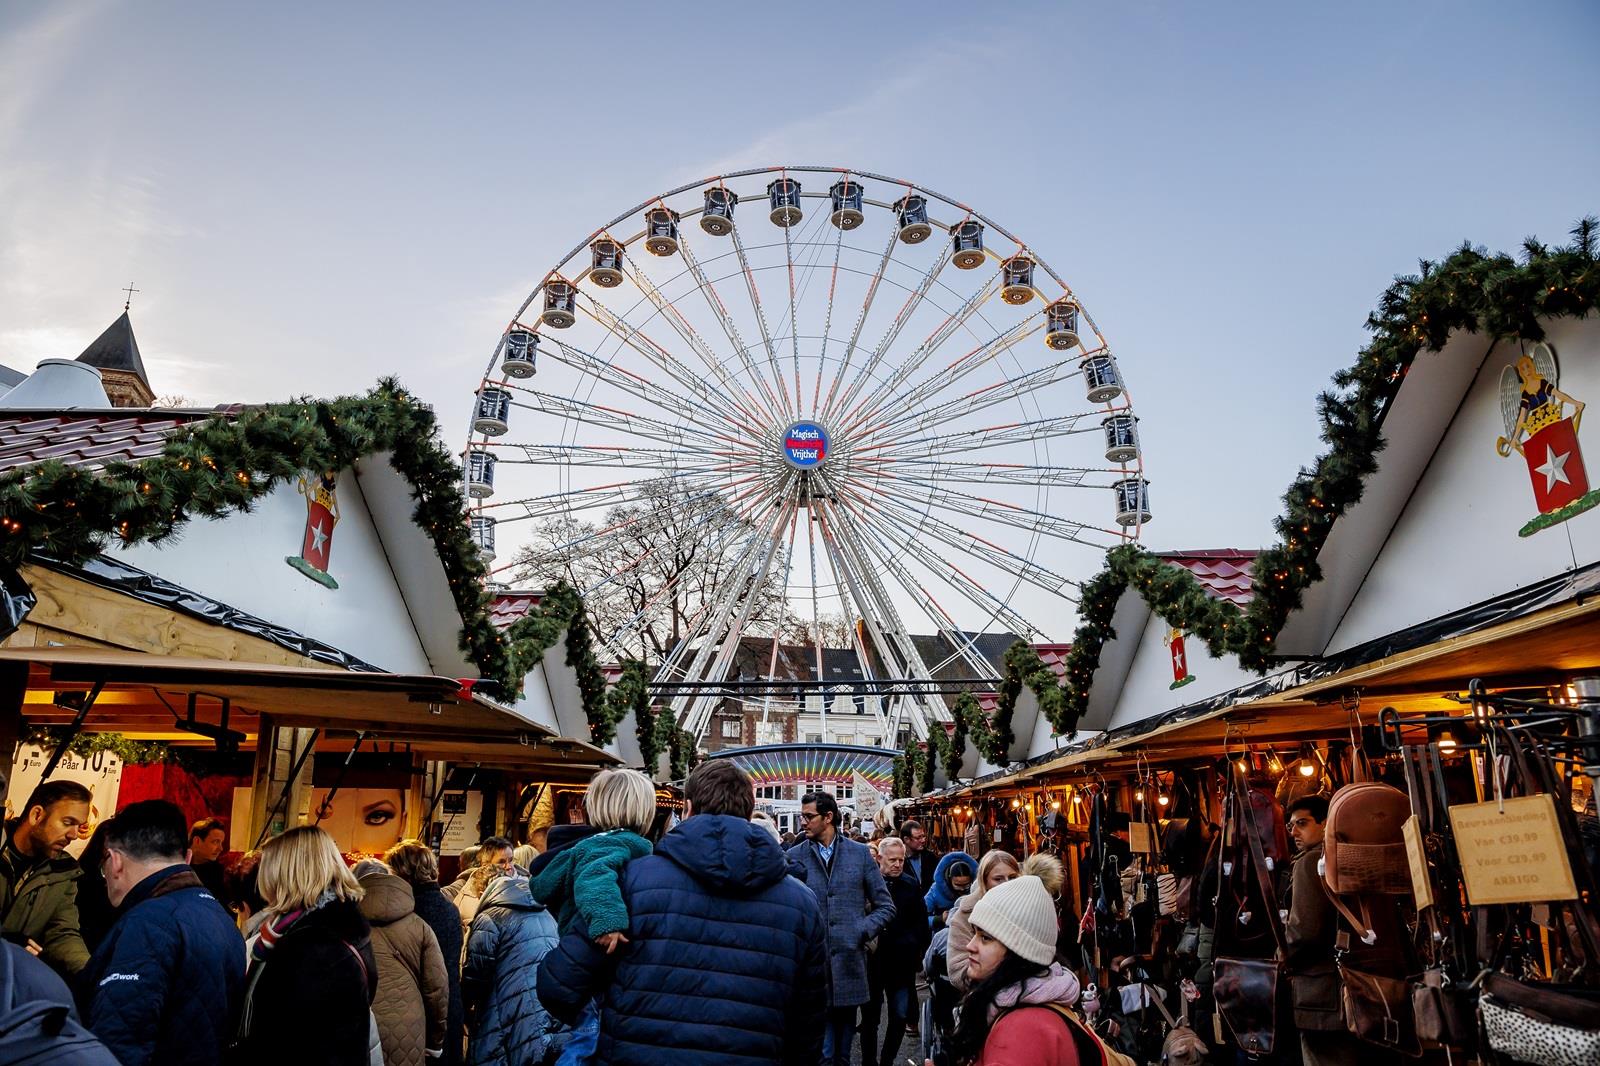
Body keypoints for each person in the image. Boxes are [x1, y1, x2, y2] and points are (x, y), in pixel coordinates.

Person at [538, 760, 827, 1065]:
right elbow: (810, 1021)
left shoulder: (630, 882)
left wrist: (613, 1012)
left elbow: (557, 986)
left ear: (687, 809)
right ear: (747, 812)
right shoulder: (802, 903)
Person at [81, 799, 244, 1066]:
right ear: (188, 857)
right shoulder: (219, 915)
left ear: (115, 861)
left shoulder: (148, 923)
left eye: (104, 868)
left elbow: (118, 1038)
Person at [528, 768, 656, 1064]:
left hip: (580, 959)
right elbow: (594, 877)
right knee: (587, 1039)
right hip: (597, 960)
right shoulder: (616, 844)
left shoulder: (594, 844)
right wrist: (608, 921)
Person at [229, 825, 378, 1066]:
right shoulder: (329, 928)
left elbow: (291, 1042)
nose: (263, 881)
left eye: (267, 870)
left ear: (286, 875)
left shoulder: (314, 949)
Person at [789, 789, 895, 1066]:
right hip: (812, 968)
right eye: (802, 816)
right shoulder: (794, 856)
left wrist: (861, 930)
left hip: (849, 965)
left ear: (828, 817)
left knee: (843, 1054)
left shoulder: (859, 855)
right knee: (824, 1055)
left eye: (808, 817)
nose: (803, 822)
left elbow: (886, 906)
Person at [947, 875, 1085, 1066]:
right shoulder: (1022, 1006)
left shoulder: (1022, 1031)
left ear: (1018, 951)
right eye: (975, 933)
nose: (970, 945)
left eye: (985, 938)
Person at [1283, 795, 1363, 1066]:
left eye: (1302, 823)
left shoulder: (1309, 863)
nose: (1294, 831)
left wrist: (1281, 954)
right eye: (1291, 825)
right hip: (1357, 990)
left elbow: (1303, 931)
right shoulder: (1353, 855)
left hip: (1322, 995)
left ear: (1325, 823)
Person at [462, 871, 565, 1065]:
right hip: (550, 1005)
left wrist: (465, 1007)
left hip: (506, 1005)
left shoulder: (489, 918)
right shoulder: (546, 913)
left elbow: (476, 972)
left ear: (486, 891)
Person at [354, 859, 448, 1066]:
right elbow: (437, 990)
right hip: (408, 1025)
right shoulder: (419, 926)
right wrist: (435, 1041)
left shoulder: (343, 926)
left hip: (359, 1023)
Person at [1, 779, 93, 977]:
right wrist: (5, 946)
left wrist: (90, 973)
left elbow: (61, 933)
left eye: (79, 826)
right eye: (68, 823)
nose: (74, 835)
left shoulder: (64, 871)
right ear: (36, 815)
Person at [386, 839, 466, 1066]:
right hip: (449, 1011)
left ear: (404, 873)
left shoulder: (410, 911)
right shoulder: (448, 907)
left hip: (421, 1018)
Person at [860, 835, 930, 1066]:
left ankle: (887, 1061)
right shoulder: (866, 884)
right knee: (870, 1019)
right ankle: (870, 1061)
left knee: (899, 1016)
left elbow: (921, 922)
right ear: (879, 858)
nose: (897, 864)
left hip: (902, 964)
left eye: (901, 860)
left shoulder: (910, 884)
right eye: (892, 860)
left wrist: (915, 949)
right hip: (873, 962)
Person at [947, 849, 1020, 992]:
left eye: (1012, 878)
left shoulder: (1026, 910)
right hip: (982, 997)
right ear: (984, 882)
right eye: (998, 879)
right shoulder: (964, 917)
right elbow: (957, 971)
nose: (1006, 884)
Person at [452, 837, 515, 943]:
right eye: (501, 862)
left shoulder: (526, 886)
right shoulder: (467, 896)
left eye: (511, 860)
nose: (509, 866)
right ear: (485, 865)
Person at [925, 851, 977, 929]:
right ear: (948, 879)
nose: (962, 889)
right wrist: (939, 919)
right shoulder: (936, 890)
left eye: (966, 885)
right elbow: (919, 918)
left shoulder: (977, 889)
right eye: (958, 885)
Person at [189, 818, 229, 901]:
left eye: (221, 843)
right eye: (215, 842)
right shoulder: (177, 864)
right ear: (197, 841)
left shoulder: (217, 871)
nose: (220, 848)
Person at [902, 819, 939, 894]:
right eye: (918, 838)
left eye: (923, 836)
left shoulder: (930, 857)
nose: (923, 840)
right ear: (906, 839)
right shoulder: (898, 860)